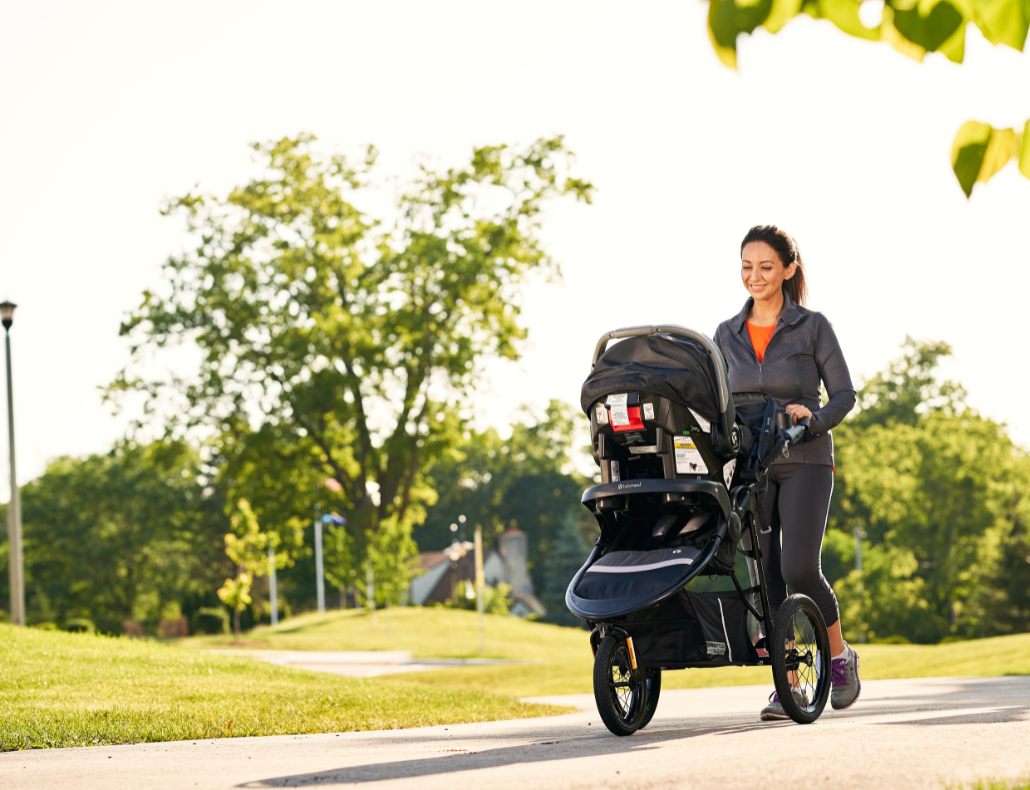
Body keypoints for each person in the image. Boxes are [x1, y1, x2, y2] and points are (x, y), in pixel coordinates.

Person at [713, 224, 860, 721]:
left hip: (805, 460)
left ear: (789, 270)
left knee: (799, 567)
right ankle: (790, 682)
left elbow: (844, 394)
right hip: (754, 466)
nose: (754, 276)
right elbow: (717, 404)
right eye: (747, 266)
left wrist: (813, 419)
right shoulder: (725, 334)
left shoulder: (812, 326)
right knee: (767, 575)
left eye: (766, 267)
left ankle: (839, 657)